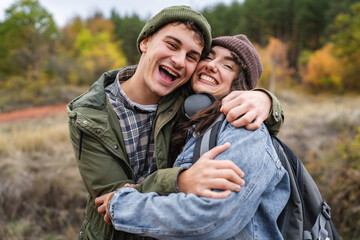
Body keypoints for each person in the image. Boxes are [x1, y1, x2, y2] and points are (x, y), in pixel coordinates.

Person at [67, 6, 284, 240]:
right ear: (145, 42)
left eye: (192, 56)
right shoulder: (89, 115)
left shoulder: (212, 113)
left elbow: (209, 218)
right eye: (172, 45)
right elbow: (110, 199)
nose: (180, 61)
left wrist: (266, 101)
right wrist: (180, 181)